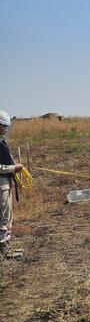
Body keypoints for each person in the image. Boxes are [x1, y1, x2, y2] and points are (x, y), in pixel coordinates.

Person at [0, 110, 25, 257]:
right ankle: (3, 251)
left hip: (6, 183)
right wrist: (13, 168)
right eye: (4, 126)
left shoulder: (2, 142)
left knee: (7, 216)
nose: (6, 129)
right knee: (2, 217)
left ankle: (6, 246)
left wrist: (15, 166)